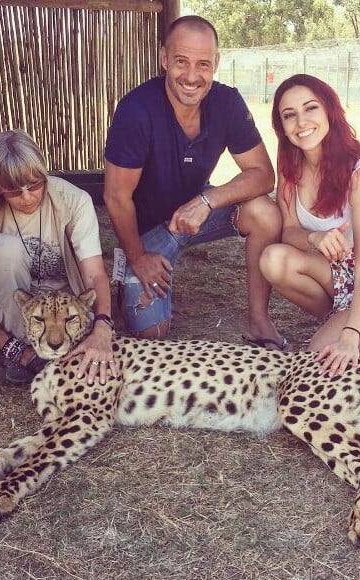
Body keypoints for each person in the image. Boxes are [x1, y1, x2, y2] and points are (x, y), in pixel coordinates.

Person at [103, 15, 286, 349]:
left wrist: (207, 201)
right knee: (152, 333)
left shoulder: (227, 102)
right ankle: (129, 275)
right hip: (148, 233)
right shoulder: (136, 111)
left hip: (195, 214)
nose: (191, 76)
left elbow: (263, 174)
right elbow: (116, 197)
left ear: (216, 64)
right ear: (164, 59)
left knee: (265, 212)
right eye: (181, 62)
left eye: (203, 64)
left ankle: (258, 321)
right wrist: (139, 256)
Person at [260, 74, 360, 376]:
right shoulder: (289, 168)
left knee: (316, 357)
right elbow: (289, 232)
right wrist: (314, 236)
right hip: (337, 268)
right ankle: (358, 323)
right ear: (281, 125)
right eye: (289, 115)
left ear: (329, 111)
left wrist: (349, 337)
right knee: (273, 259)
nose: (301, 121)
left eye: (311, 108)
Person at [0, 130, 116, 385]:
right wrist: (14, 349)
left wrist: (103, 325)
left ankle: (53, 345)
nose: (28, 197)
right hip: (4, 304)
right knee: (2, 249)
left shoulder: (74, 200)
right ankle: (19, 348)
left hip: (64, 307)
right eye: (13, 190)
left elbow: (95, 274)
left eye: (35, 185)